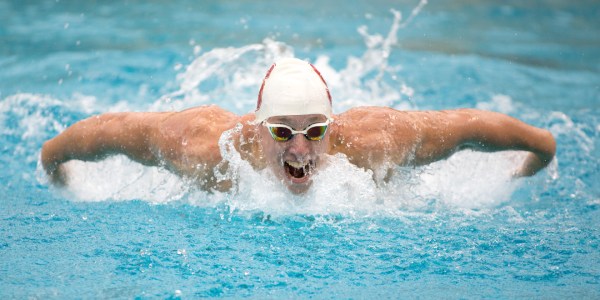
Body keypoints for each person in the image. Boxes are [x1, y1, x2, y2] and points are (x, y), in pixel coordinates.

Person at [41, 58, 556, 194]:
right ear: (258, 126)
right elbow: (97, 135)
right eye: (283, 132)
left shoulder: (377, 142)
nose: (301, 147)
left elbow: (475, 127)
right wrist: (57, 173)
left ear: (333, 125)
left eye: (315, 130)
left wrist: (529, 165)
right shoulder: (203, 146)